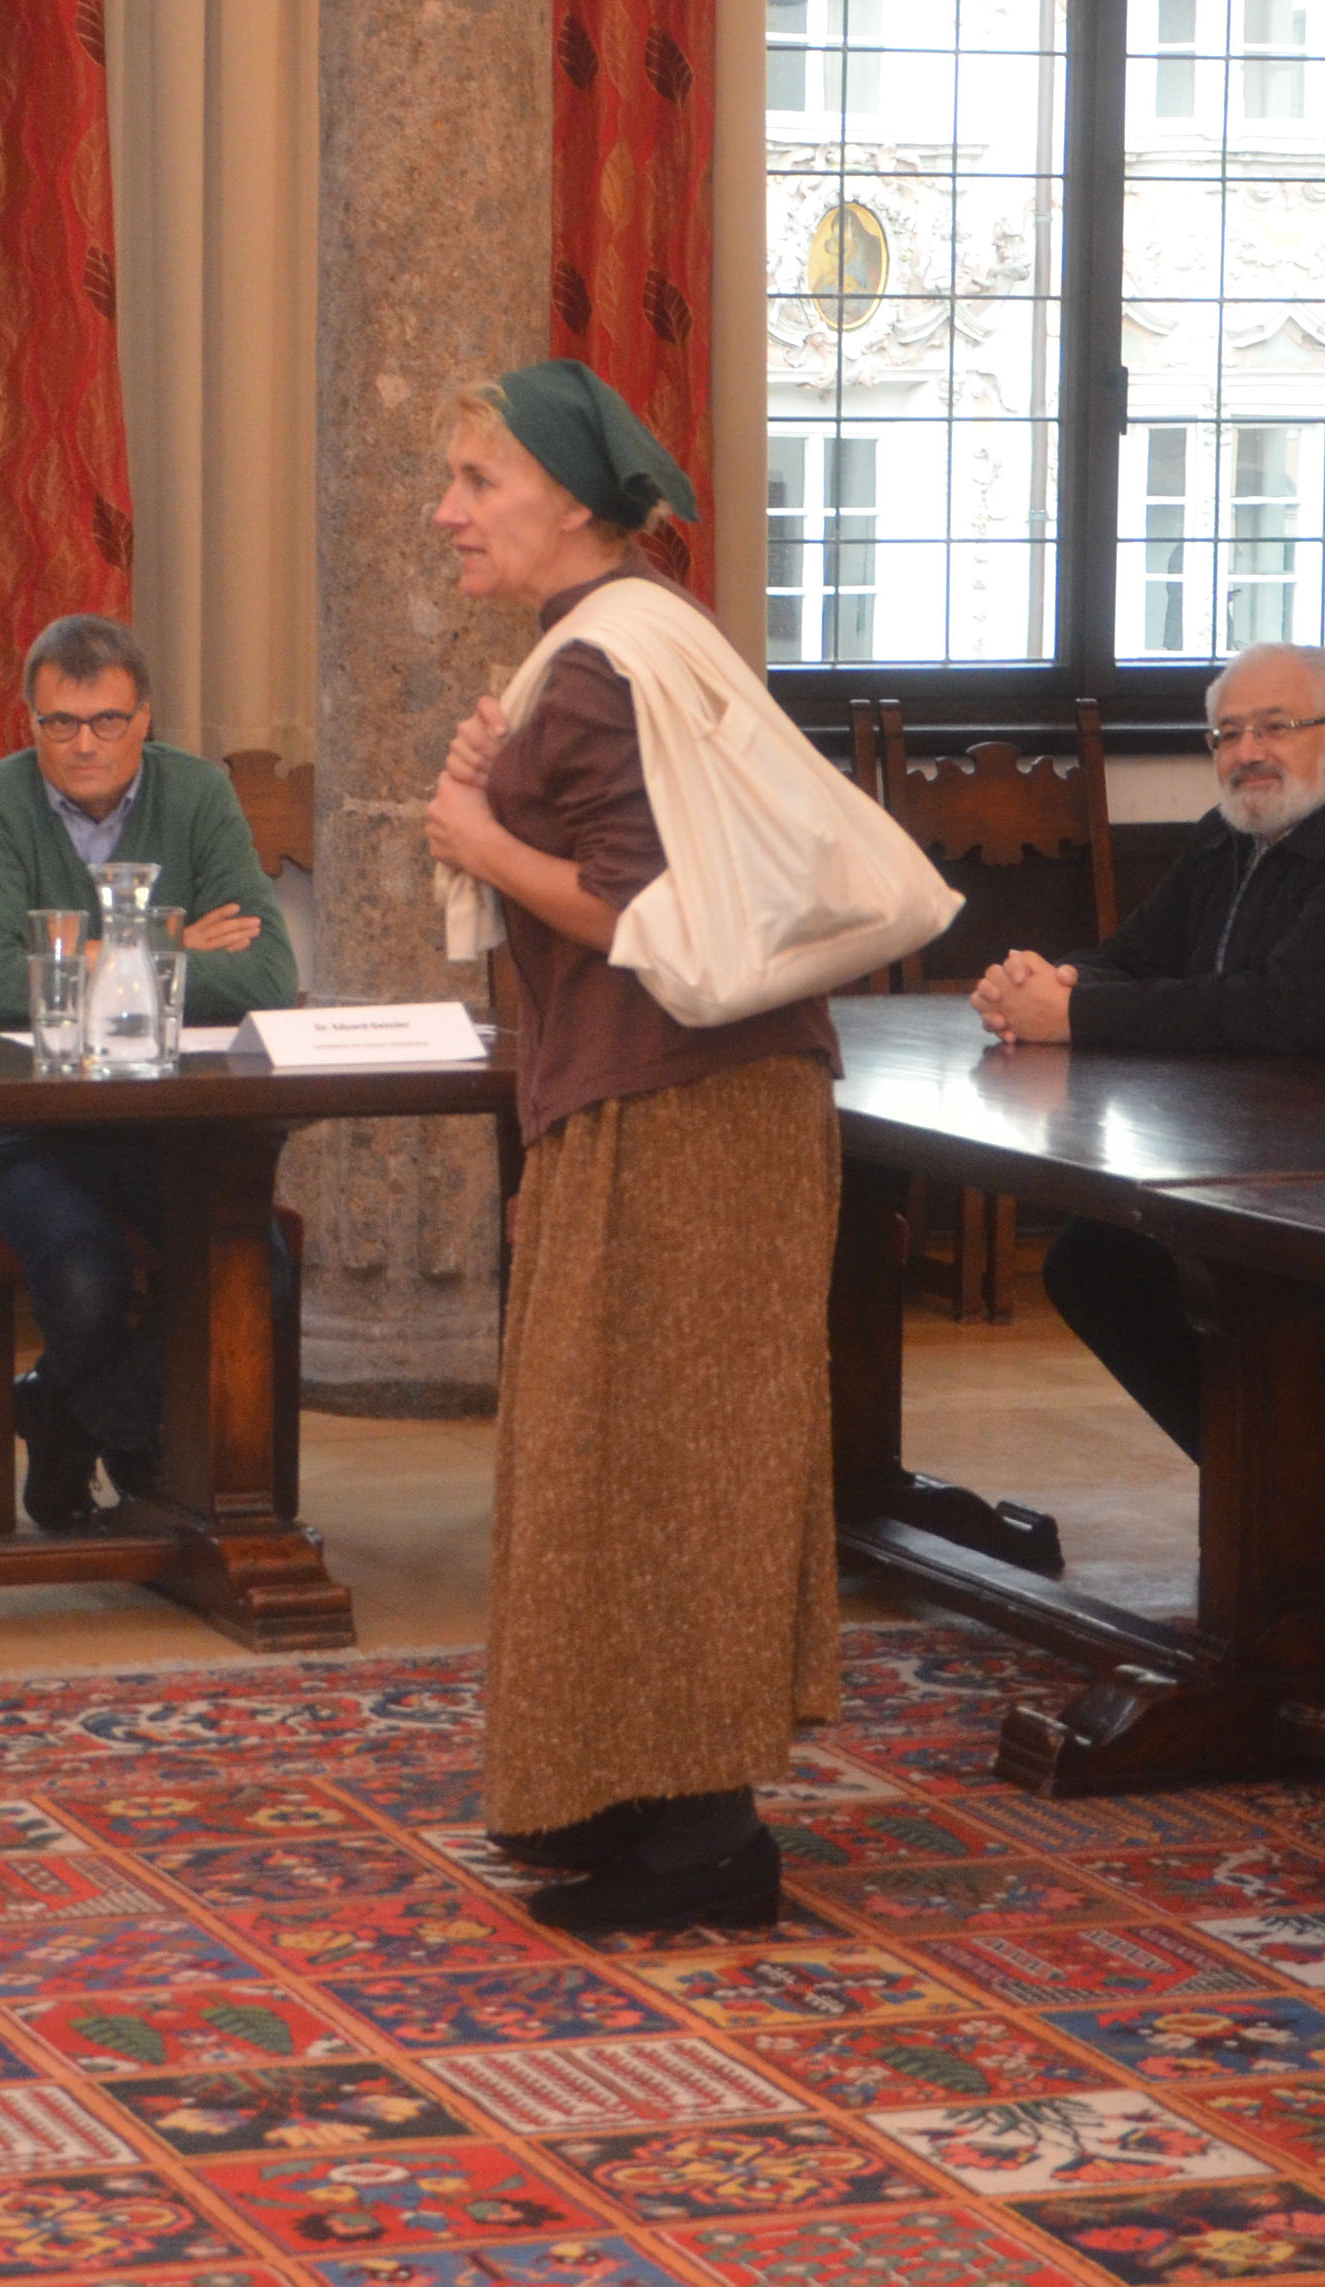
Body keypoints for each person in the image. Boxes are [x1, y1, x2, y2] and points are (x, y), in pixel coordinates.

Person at [420, 360, 842, 1931]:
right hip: (667, 1097)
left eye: (477, 483)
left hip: (686, 1106)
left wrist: (479, 840)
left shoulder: (602, 660)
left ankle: (710, 1840)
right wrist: (495, 794)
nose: (447, 513)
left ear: (576, 503)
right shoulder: (612, 638)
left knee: (674, 1454)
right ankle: (632, 1792)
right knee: (623, 1447)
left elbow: (646, 914)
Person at [975, 641, 1325, 1459]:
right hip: (1234, 1144)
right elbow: (1137, 953)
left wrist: (1076, 1012)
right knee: (1096, 1261)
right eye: (1228, 734)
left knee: (1110, 1265)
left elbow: (1289, 1009)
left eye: (1274, 728)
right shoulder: (1234, 831)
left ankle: (1286, 1494)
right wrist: (1048, 981)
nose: (1247, 754)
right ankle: (1264, 1485)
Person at [0, 613, 298, 1528]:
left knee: (259, 1264)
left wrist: (67, 957)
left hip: (162, 1119)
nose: (83, 744)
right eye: (59, 723)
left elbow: (266, 972)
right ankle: (131, 1442)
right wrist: (166, 937)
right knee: (87, 1275)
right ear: (30, 722)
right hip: (27, 1120)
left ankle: (67, 1413)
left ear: (145, 718)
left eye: (106, 720)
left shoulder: (198, 793)